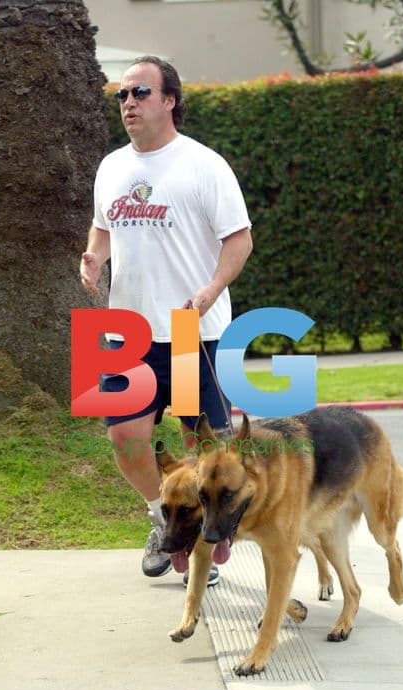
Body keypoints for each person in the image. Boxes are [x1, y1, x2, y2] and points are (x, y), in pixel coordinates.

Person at [80, 55, 252, 585]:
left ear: (170, 100)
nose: (128, 103)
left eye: (139, 93)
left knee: (205, 449)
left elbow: (239, 238)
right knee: (125, 443)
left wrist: (212, 288)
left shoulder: (204, 165)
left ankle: (207, 531)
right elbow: (102, 226)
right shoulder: (111, 166)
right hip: (124, 333)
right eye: (122, 96)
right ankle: (165, 518)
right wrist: (93, 256)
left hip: (188, 333)